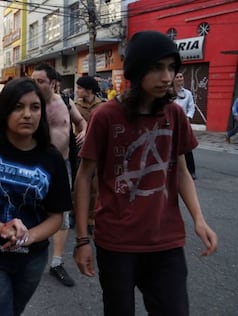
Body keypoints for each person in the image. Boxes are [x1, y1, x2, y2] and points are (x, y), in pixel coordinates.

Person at [74, 31, 218, 316]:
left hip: (167, 242)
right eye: (156, 67)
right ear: (137, 70)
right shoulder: (105, 116)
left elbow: (180, 172)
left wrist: (199, 220)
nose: (167, 77)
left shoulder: (174, 115)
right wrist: (81, 240)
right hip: (116, 243)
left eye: (171, 67)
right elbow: (83, 177)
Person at [0, 77, 72, 315]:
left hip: (31, 262)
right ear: (5, 110)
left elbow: (57, 216)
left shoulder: (51, 157)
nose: (28, 114)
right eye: (18, 107)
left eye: (35, 107)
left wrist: (28, 237)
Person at [32, 63, 87, 287]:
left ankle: (56, 262)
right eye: (32, 81)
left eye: (40, 81)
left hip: (62, 166)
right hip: (35, 166)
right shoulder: (30, 104)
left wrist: (83, 130)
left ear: (53, 83)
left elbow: (81, 121)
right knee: (33, 211)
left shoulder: (65, 102)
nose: (34, 85)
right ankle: (27, 255)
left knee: (61, 215)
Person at [74, 75, 103, 234]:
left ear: (89, 90)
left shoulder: (102, 106)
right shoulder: (75, 105)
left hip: (96, 150)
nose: (77, 91)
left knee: (95, 186)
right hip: (78, 149)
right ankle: (75, 213)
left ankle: (91, 218)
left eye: (79, 88)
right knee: (76, 184)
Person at [174, 72, 197, 179]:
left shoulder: (187, 93)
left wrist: (188, 117)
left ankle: (191, 171)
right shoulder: (170, 93)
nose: (179, 78)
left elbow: (191, 107)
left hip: (184, 123)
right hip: (171, 123)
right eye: (177, 77)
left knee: (187, 147)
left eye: (181, 77)